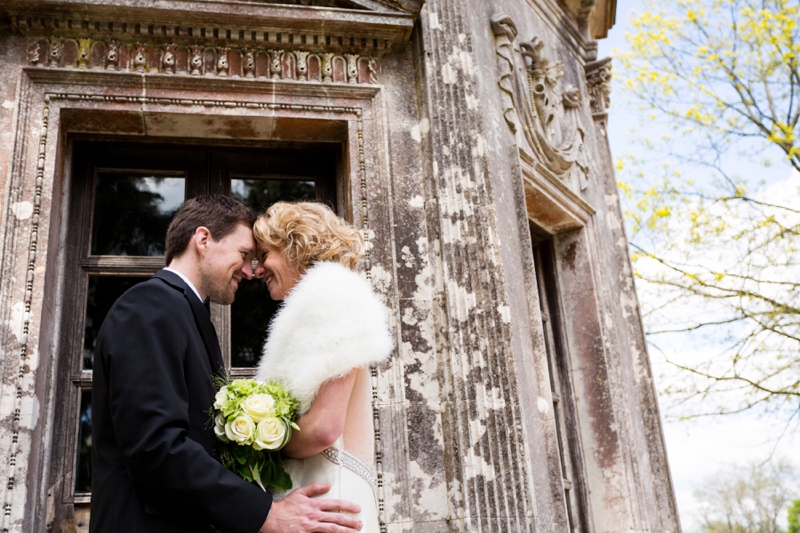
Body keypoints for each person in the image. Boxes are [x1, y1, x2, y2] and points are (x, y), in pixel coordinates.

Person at [90, 194, 363, 533]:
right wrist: (265, 513)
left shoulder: (186, 315)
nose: (251, 271)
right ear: (203, 240)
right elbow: (155, 447)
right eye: (245, 254)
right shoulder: (148, 307)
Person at [253, 201, 394, 533]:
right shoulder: (315, 304)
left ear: (294, 246)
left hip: (329, 496)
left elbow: (323, 429)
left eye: (264, 254)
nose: (258, 269)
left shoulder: (336, 294)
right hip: (316, 496)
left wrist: (255, 443)